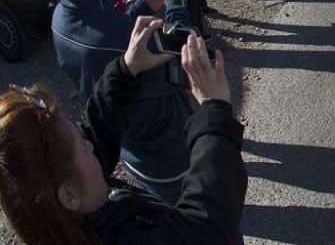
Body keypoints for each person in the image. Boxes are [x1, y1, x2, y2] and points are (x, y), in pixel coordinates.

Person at [0, 16, 247, 243]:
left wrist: (127, 68)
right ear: (70, 196)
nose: (88, 143)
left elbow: (95, 128)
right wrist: (214, 112)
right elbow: (204, 230)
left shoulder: (70, 205)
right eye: (82, 146)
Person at [45, 0, 196, 205]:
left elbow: (108, 30)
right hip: (171, 158)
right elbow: (187, 59)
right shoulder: (123, 38)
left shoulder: (60, 19)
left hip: (135, 151)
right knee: (205, 222)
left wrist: (144, 3)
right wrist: (176, 4)